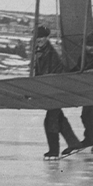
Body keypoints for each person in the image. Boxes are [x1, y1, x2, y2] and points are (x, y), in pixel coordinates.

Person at [33, 26, 83, 160]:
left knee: (51, 120)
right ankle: (74, 143)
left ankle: (54, 151)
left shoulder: (50, 52)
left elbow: (51, 72)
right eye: (37, 37)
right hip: (50, 89)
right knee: (57, 118)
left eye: (42, 37)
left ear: (46, 38)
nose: (39, 40)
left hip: (55, 89)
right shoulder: (39, 51)